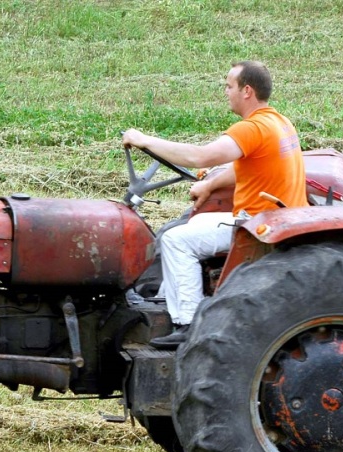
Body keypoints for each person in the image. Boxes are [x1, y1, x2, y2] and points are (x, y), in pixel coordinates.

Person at [122, 60, 308, 349]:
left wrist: (144, 140)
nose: (225, 91)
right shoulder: (279, 122)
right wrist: (209, 184)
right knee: (190, 224)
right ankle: (167, 298)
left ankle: (187, 324)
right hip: (276, 218)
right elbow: (250, 166)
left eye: (229, 86)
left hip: (257, 224)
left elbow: (201, 157)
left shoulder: (252, 128)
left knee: (174, 240)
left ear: (247, 91)